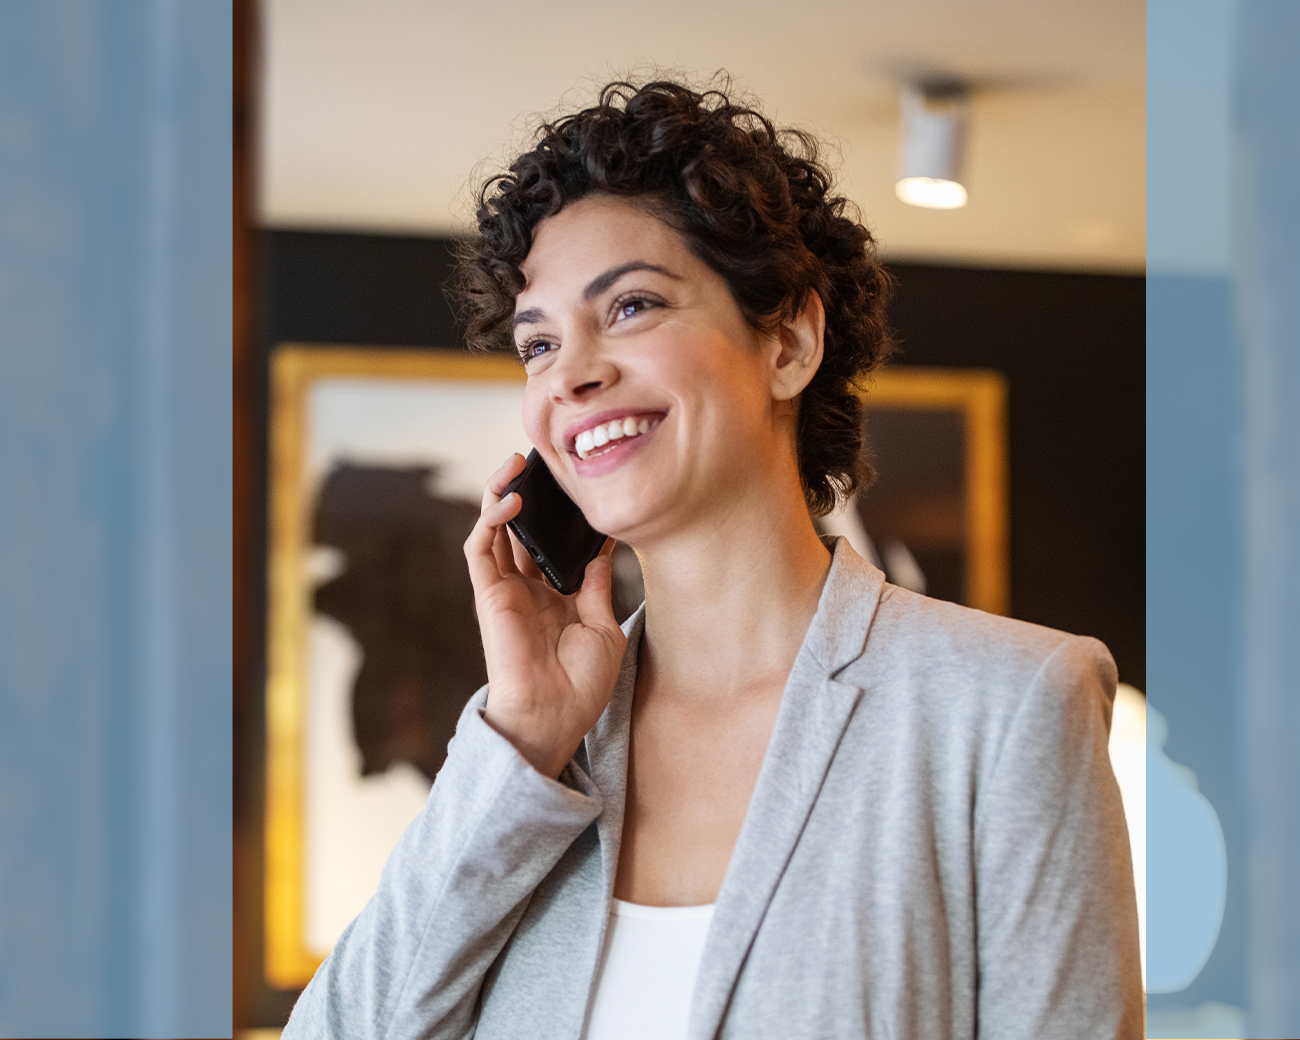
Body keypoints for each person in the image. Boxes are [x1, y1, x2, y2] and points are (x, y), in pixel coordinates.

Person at [283, 78, 1143, 1040]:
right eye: (537, 344)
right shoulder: (543, 752)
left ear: (789, 341)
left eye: (633, 306)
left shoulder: (1010, 703)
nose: (571, 373)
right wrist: (523, 737)